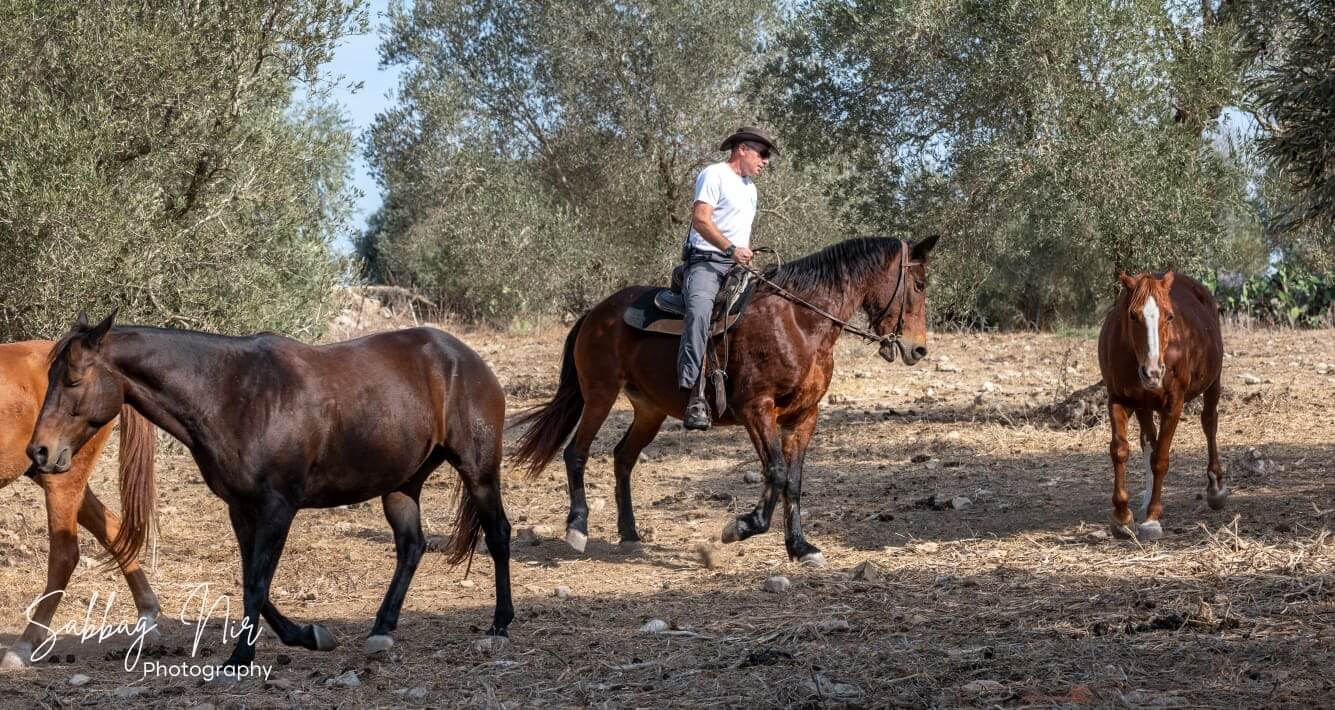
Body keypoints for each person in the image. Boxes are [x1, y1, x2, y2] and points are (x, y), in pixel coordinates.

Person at [676, 127, 777, 430]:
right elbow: (701, 219)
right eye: (763, 153)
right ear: (742, 149)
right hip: (707, 263)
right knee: (699, 315)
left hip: (737, 267)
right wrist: (731, 249)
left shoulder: (751, 188)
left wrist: (742, 253)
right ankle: (692, 396)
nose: (766, 161)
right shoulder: (714, 174)